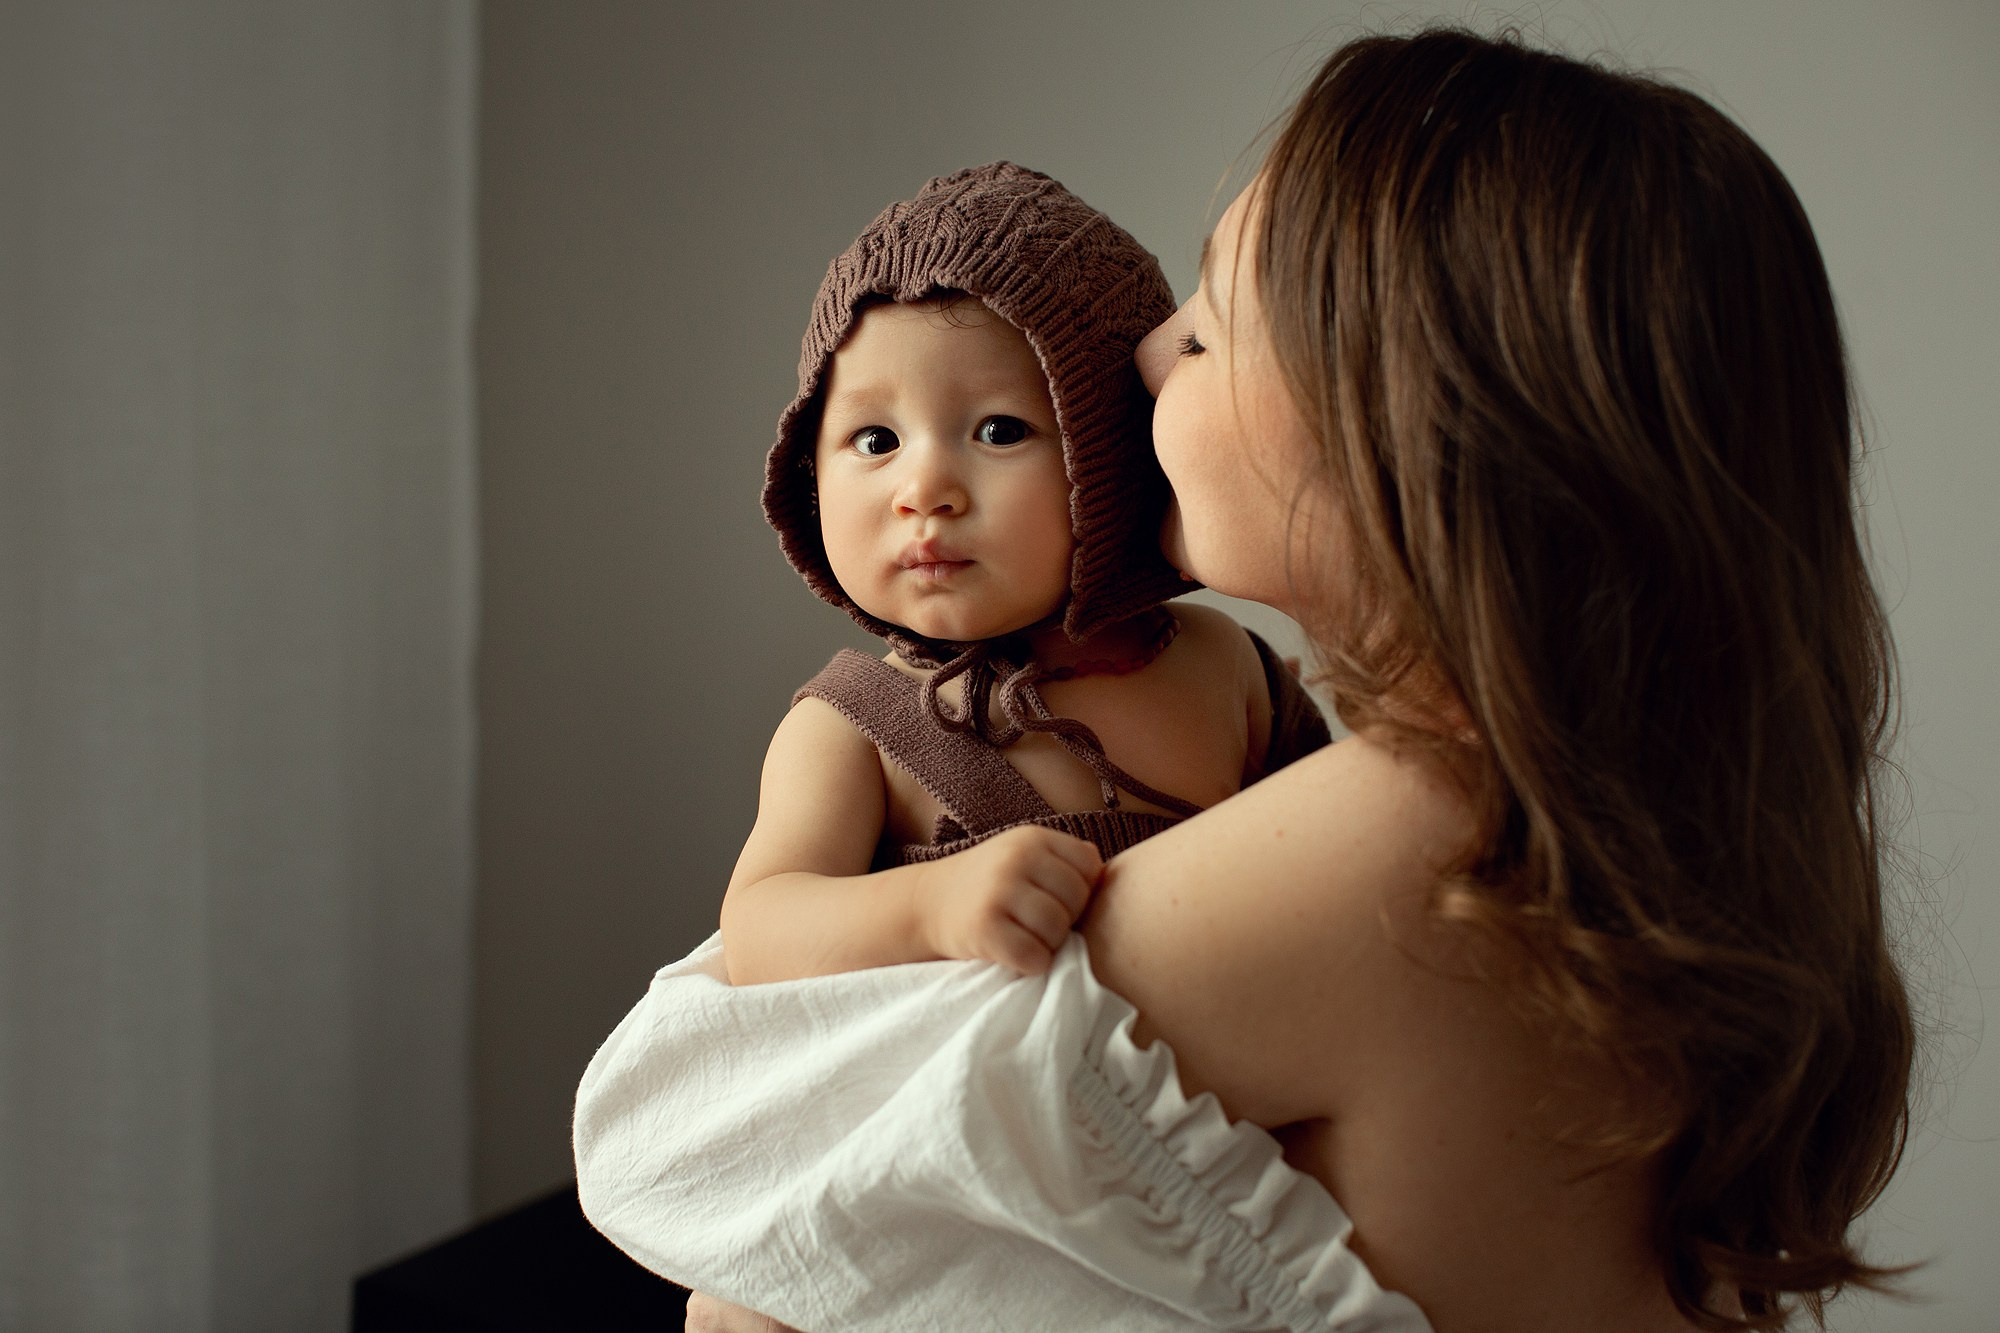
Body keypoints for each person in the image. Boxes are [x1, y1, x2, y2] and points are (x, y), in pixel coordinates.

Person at [598, 27, 1916, 1333]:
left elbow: (675, 1140)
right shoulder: (1620, 815)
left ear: (1408, 418)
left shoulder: (1413, 844)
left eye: (1212, 321)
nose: (1144, 357)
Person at [723, 161, 1327, 986]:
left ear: (1109, 458)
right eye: (875, 440)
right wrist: (931, 906)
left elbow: (1347, 867)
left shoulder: (1223, 664)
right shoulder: (852, 729)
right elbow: (759, 928)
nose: (923, 490)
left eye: (1000, 430)